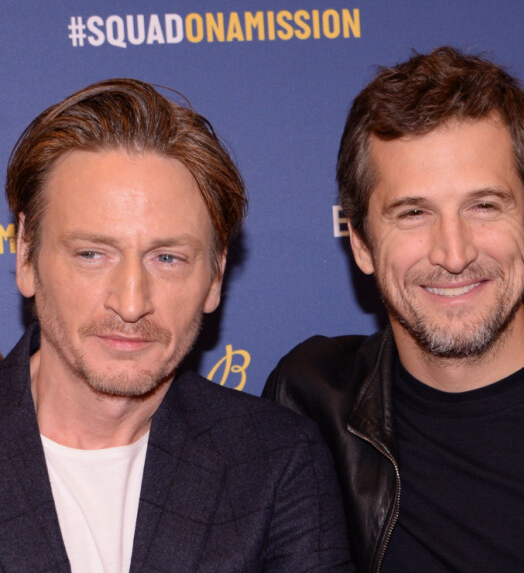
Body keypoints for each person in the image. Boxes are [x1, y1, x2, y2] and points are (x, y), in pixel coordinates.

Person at [0, 78, 352, 572]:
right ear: (27, 260)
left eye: (167, 258)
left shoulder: (275, 462)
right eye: (92, 254)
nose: (130, 302)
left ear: (215, 277)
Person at [263, 46, 524, 572]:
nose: (453, 254)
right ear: (361, 243)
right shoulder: (310, 404)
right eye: (413, 213)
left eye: (483, 206)